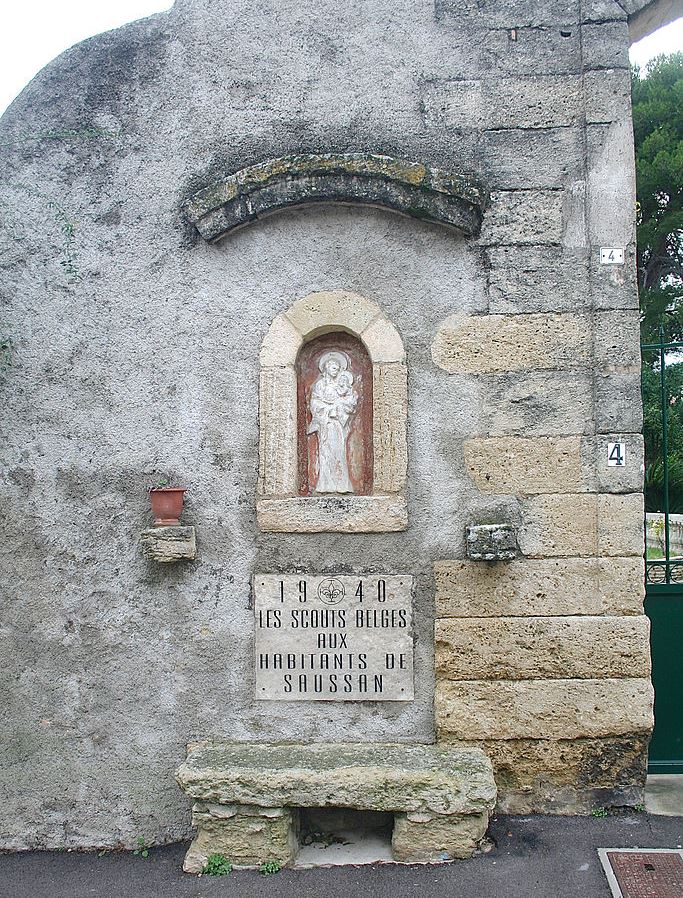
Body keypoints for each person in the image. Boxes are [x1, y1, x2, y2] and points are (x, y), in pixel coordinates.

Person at [307, 351, 357, 493]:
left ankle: (342, 485)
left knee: (339, 453)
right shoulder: (320, 385)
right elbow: (314, 403)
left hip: (339, 424)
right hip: (325, 424)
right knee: (325, 453)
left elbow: (351, 403)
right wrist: (328, 410)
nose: (335, 369)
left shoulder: (344, 384)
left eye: (337, 367)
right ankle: (325, 485)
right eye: (332, 366)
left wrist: (338, 406)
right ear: (326, 368)